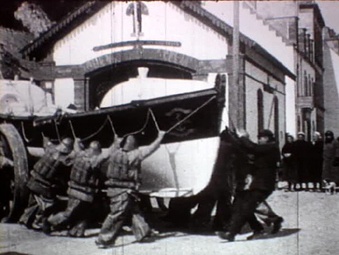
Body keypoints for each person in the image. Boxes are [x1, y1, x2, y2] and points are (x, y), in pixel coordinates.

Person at [95, 130, 166, 249]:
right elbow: (150, 149)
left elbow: (113, 147)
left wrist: (116, 140)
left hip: (115, 190)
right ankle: (103, 239)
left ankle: (143, 233)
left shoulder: (114, 152)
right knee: (117, 214)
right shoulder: (134, 155)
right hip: (125, 191)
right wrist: (160, 137)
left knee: (134, 211)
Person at [45, 136, 120, 236]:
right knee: (69, 213)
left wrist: (77, 140)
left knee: (84, 214)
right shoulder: (94, 161)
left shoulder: (79, 154)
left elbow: (77, 147)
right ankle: (49, 222)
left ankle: (76, 232)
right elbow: (107, 154)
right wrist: (116, 142)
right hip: (83, 192)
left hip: (74, 190)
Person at [216, 129, 281, 242]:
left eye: (260, 138)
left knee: (246, 208)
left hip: (263, 185)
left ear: (266, 138)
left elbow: (253, 148)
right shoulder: (264, 149)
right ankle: (259, 228)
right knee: (239, 207)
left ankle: (231, 233)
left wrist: (242, 137)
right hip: (253, 183)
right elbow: (246, 149)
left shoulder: (271, 147)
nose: (259, 140)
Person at [19, 137, 74, 230]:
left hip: (33, 179)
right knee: (47, 204)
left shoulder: (50, 149)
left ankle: (25, 219)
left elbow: (47, 143)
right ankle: (37, 221)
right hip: (43, 185)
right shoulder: (63, 160)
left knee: (33, 202)